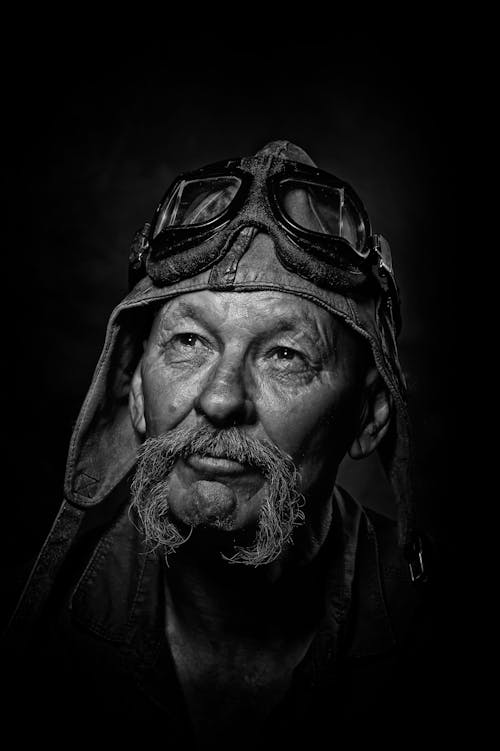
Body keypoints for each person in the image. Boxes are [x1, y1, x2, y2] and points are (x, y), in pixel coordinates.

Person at [4, 140, 433, 745]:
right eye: (188, 343)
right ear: (132, 388)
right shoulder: (22, 634)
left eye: (285, 355)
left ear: (369, 416)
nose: (220, 399)